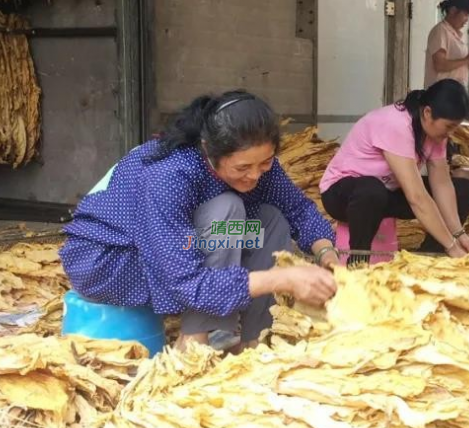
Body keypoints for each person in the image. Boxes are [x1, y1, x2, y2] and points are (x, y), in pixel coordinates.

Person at [59, 91, 340, 352]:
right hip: (113, 261)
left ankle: (256, 340)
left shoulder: (256, 163)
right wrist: (284, 278)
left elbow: (297, 208)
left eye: (264, 163)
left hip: (177, 248)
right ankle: (194, 340)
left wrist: (327, 253)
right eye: (242, 167)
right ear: (209, 149)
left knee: (271, 221)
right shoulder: (170, 173)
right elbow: (186, 281)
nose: (255, 175)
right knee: (228, 209)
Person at [320, 79, 469, 265]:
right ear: (427, 112)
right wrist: (452, 246)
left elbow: (442, 184)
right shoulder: (396, 124)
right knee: (371, 190)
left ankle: (430, 258)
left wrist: (458, 234)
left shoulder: (435, 133)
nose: (450, 133)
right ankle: (358, 262)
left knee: (464, 189)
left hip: (385, 193)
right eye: (449, 126)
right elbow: (416, 197)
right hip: (343, 195)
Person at [424, 0, 469, 89]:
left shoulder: (458, 34)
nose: (467, 20)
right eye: (465, 14)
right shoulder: (440, 31)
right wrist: (467, 59)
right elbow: (440, 65)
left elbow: (460, 66)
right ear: (453, 11)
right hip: (439, 94)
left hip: (455, 92)